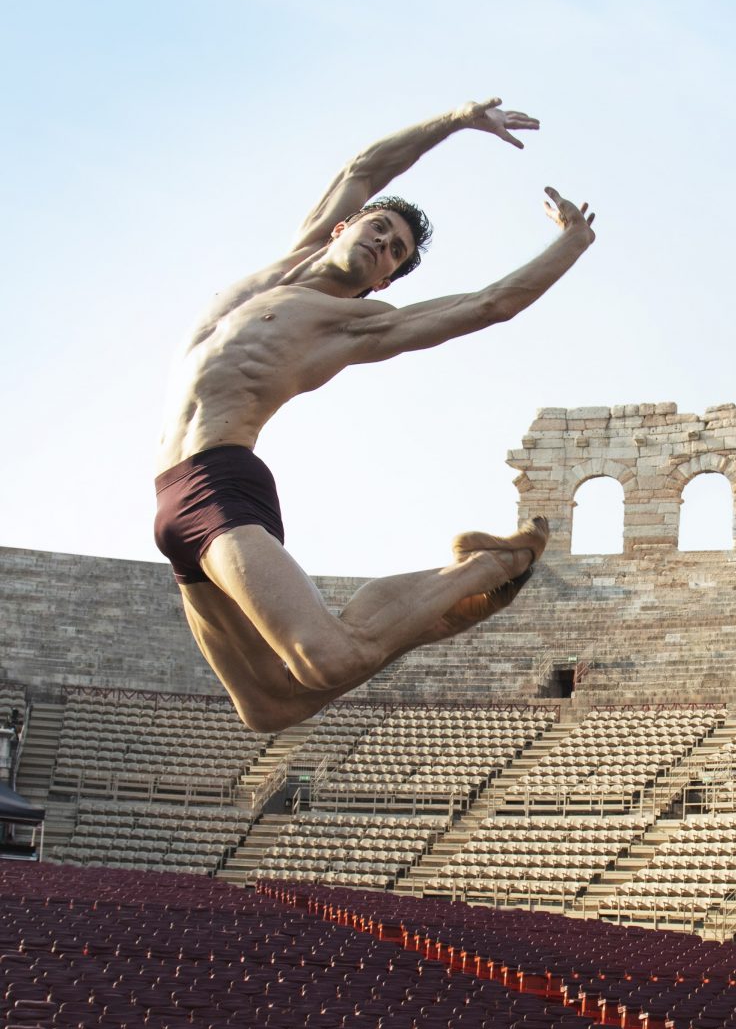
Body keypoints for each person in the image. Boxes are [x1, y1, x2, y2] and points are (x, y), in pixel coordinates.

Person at [153, 97, 595, 733]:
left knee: (327, 662)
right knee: (271, 707)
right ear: (342, 228)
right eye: (381, 230)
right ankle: (440, 605)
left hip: (220, 483)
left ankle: (490, 565)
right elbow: (363, 169)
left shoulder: (356, 324)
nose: (386, 243)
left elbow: (491, 303)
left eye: (396, 252)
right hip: (168, 504)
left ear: (384, 283)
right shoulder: (278, 273)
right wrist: (459, 118)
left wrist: (572, 243)